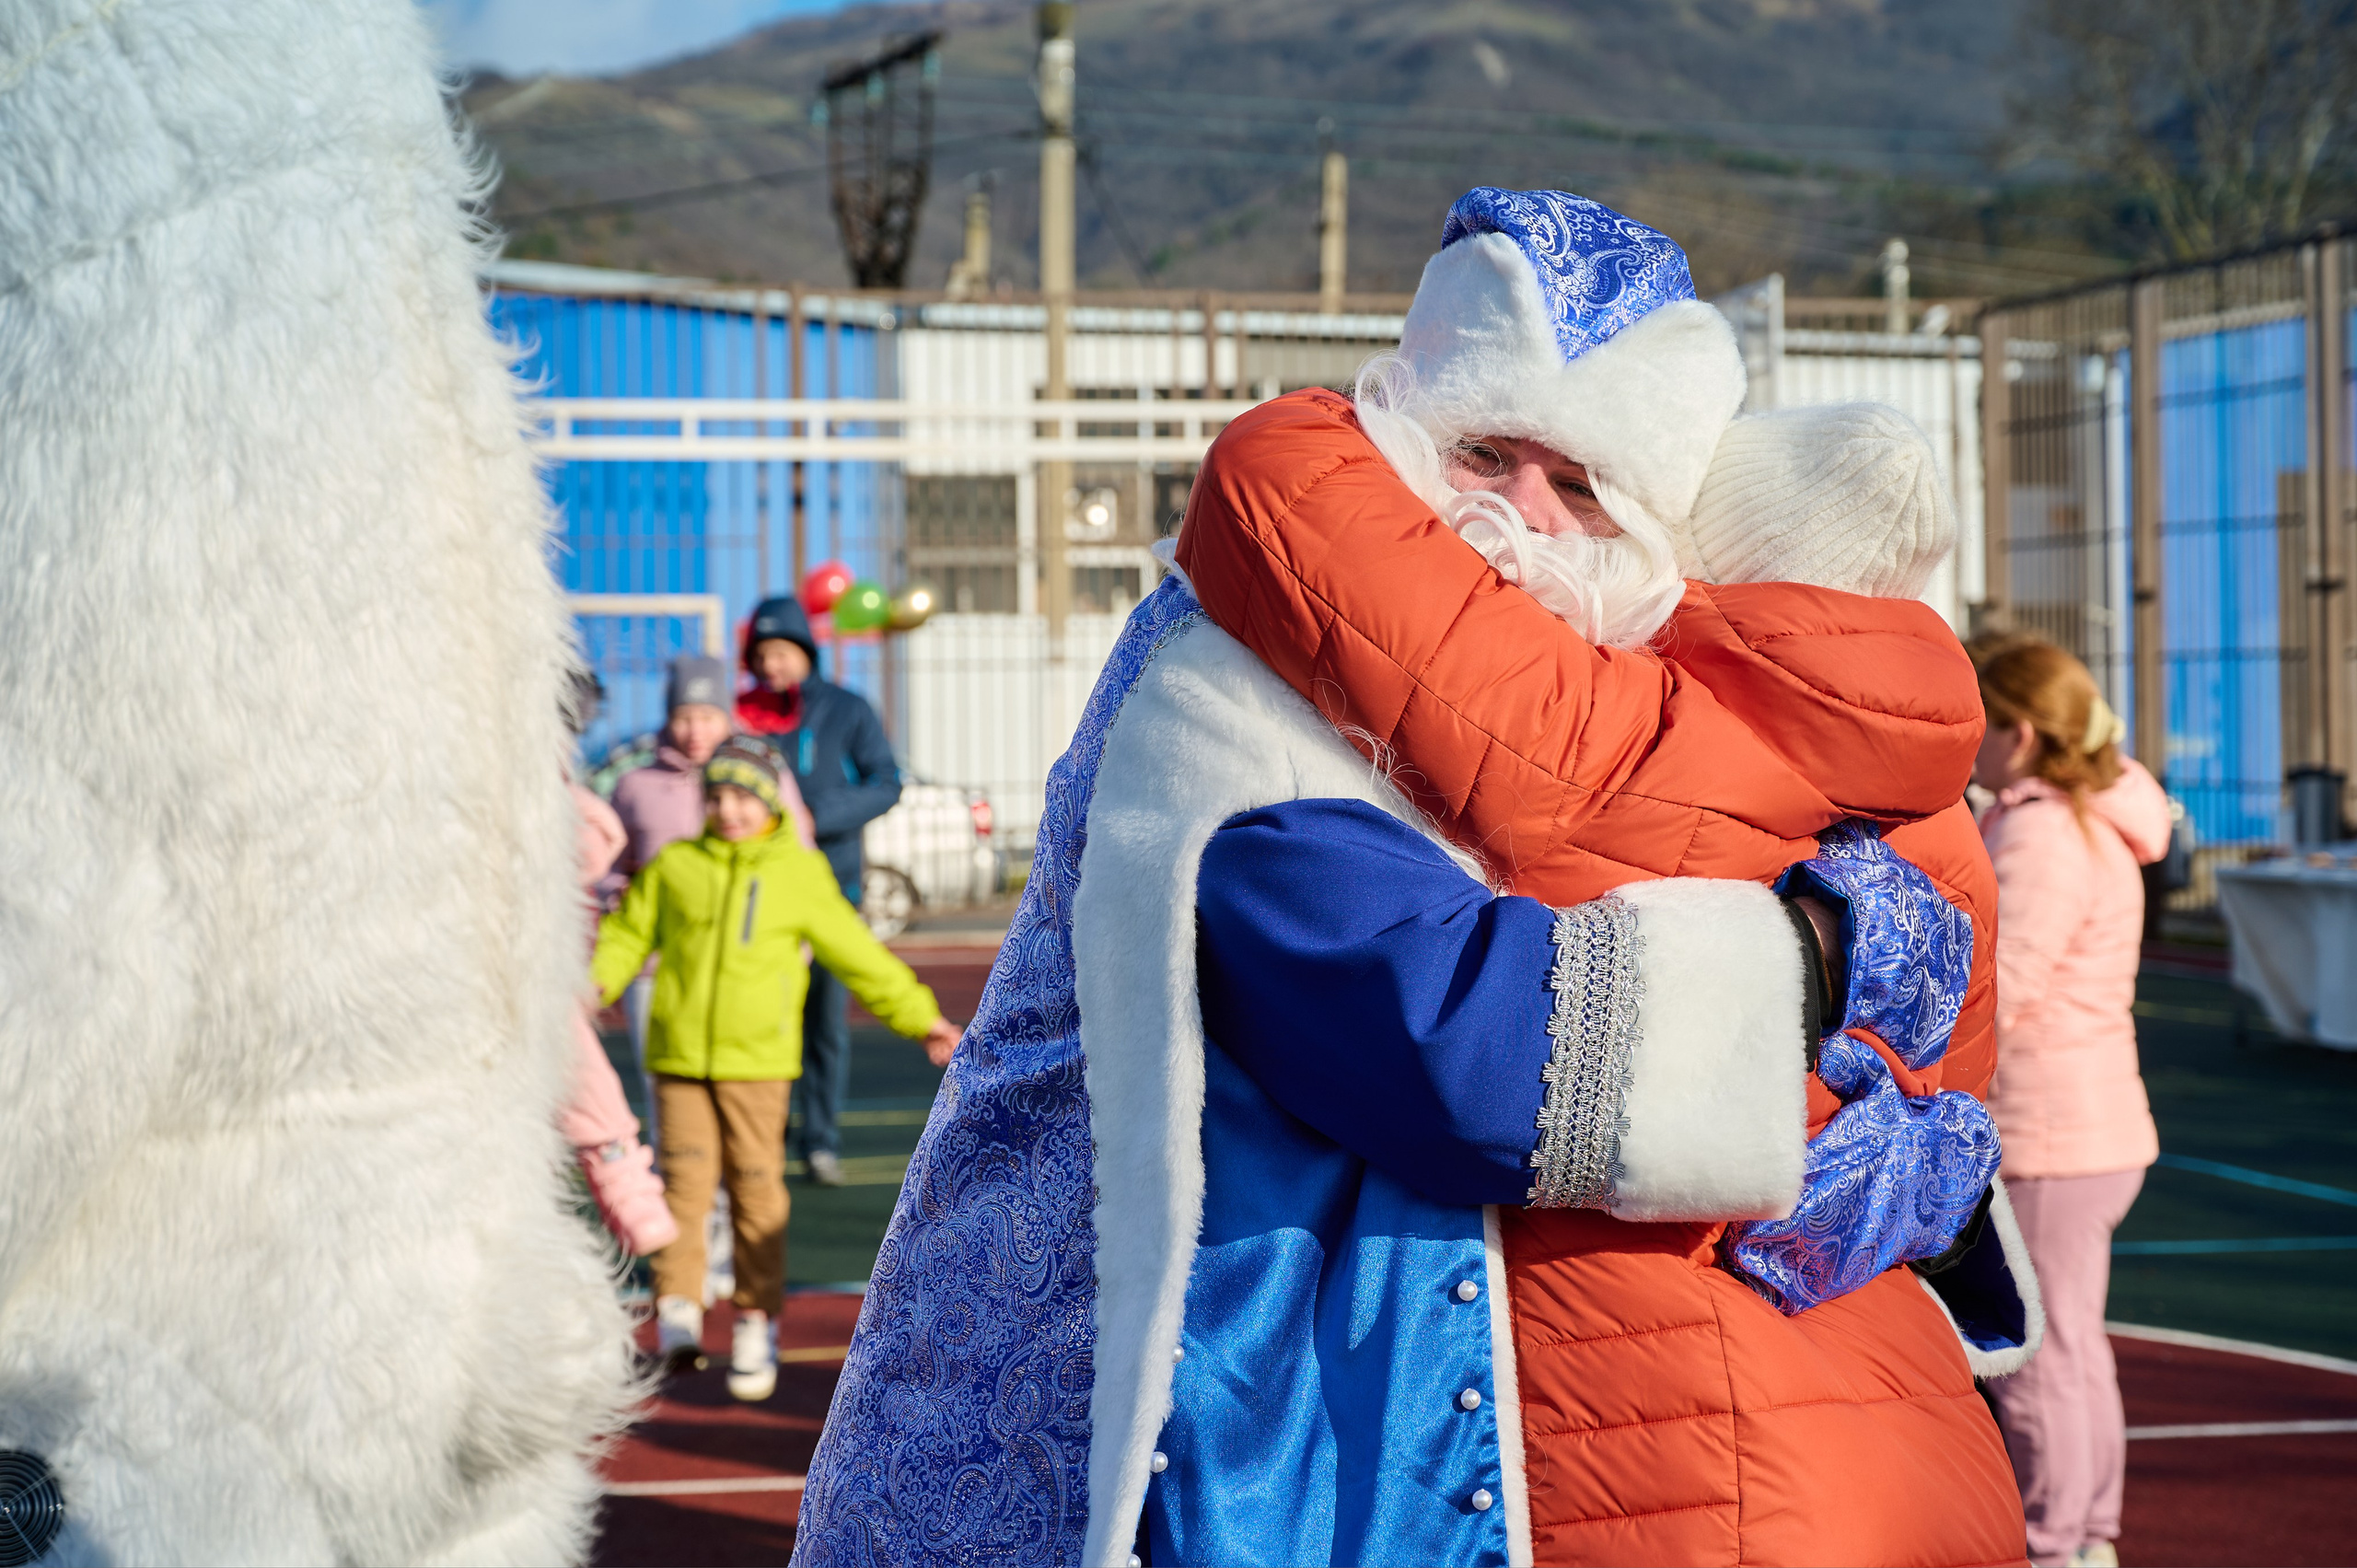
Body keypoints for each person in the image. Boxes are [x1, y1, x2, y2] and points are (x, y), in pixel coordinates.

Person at [795, 190, 2038, 1567]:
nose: (1518, 513)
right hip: (1209, 1423)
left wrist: (1923, 1138)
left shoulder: (1603, 709)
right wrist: (1815, 959)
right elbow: (1455, 1046)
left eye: (1580, 486)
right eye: (1485, 451)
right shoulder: (1238, 690)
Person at [592, 741, 958, 1402]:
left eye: (743, 796)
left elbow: (857, 954)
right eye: (717, 796)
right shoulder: (675, 866)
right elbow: (625, 936)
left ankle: (757, 1320)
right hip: (679, 1059)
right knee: (684, 1183)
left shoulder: (798, 874)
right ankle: (678, 1309)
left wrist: (921, 1018)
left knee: (757, 1187)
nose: (729, 809)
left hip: (758, 1063)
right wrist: (587, 991)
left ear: (768, 801)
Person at [1971, 636, 2169, 1568]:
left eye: (1978, 720)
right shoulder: (2091, 818)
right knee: (2077, 1346)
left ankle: (2056, 1540)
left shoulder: (2043, 831)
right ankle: (2085, 1531)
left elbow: (2001, 986)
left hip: (2047, 1130)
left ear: (2018, 731)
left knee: (2041, 1355)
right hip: (2090, 1126)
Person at [604, 654, 813, 1156]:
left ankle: (730, 1221)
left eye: (707, 716)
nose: (695, 730)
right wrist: (620, 901)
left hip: (747, 972)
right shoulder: (634, 786)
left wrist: (792, 951)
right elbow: (610, 869)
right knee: (671, 1114)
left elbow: (799, 861)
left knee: (742, 1124)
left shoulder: (767, 775)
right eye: (683, 716)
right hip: (659, 975)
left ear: (727, 716)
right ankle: (688, 1227)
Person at [735, 595, 903, 1188]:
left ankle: (820, 1141)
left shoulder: (848, 710)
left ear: (806, 652)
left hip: (833, 886)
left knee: (826, 1023)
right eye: (760, 654)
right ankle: (764, 1139)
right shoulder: (745, 714)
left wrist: (812, 815)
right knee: (761, 1016)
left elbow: (886, 783)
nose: (771, 665)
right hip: (758, 898)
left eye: (781, 652)